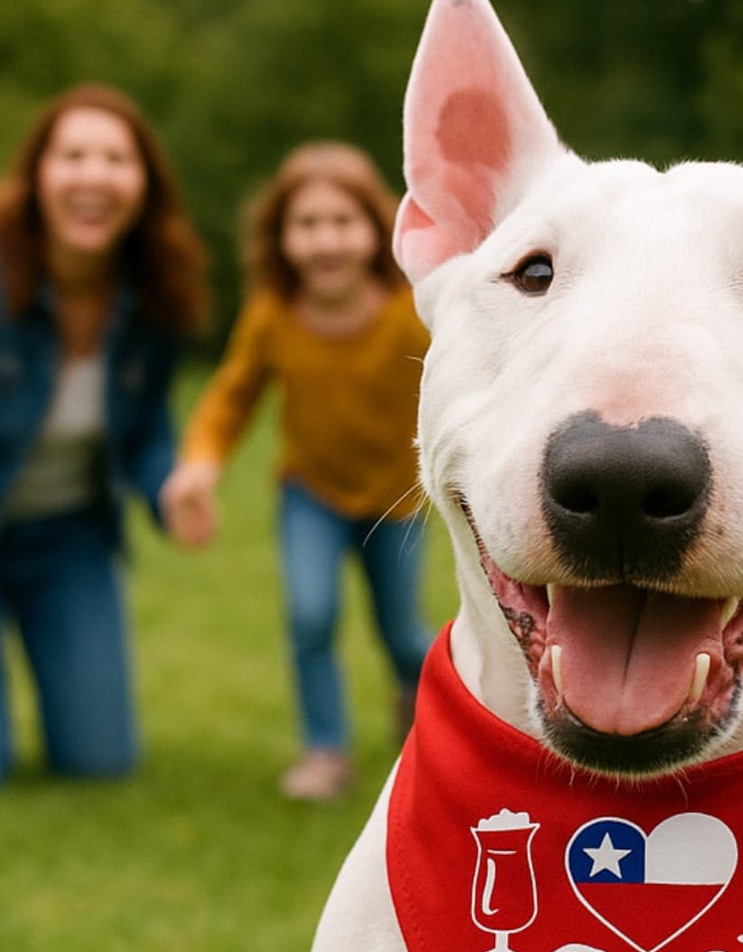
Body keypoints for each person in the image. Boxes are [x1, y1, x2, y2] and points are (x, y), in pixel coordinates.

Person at [162, 143, 432, 803]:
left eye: (342, 222)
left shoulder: (411, 313)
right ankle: (325, 751)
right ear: (280, 238)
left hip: (395, 498)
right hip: (310, 493)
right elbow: (231, 395)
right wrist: (200, 464)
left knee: (402, 633)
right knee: (310, 615)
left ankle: (423, 712)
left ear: (377, 229)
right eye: (306, 225)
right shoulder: (273, 317)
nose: (325, 240)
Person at [0, 84, 209, 782]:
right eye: (74, 155)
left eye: (116, 158)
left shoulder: (152, 297)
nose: (94, 174)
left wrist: (169, 487)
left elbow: (145, 426)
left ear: (143, 183)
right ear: (37, 177)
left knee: (100, 762)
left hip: (67, 539)